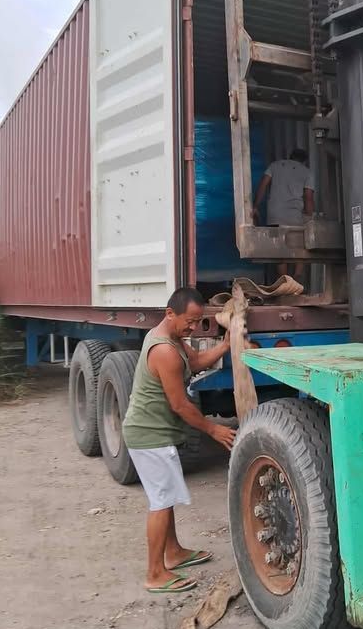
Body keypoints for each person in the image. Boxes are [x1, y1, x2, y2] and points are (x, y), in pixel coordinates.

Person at [122, 287, 237, 594]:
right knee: (160, 501)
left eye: (199, 322)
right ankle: (154, 573)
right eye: (189, 321)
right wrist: (213, 429)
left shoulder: (173, 338)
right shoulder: (164, 351)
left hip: (155, 433)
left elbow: (197, 362)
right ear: (170, 313)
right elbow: (180, 405)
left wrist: (226, 346)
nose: (193, 327)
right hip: (149, 434)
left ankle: (172, 554)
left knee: (166, 495)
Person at [252, 148, 315, 278]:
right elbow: (308, 197)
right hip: (295, 216)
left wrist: (255, 205)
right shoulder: (307, 172)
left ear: (290, 157)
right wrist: (310, 217)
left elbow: (263, 184)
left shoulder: (275, 165)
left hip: (275, 214)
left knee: (280, 247)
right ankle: (296, 278)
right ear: (304, 161)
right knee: (299, 246)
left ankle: (284, 280)